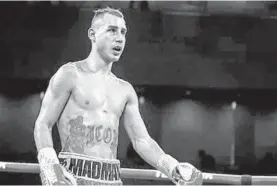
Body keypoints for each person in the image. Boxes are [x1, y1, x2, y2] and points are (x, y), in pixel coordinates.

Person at [34, 7, 203, 186]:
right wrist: (50, 167)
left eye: (123, 32)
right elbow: (43, 124)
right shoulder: (70, 74)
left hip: (111, 179)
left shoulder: (125, 90)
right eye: (112, 30)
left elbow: (142, 140)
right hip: (72, 177)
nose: (119, 38)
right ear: (92, 34)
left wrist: (172, 167)